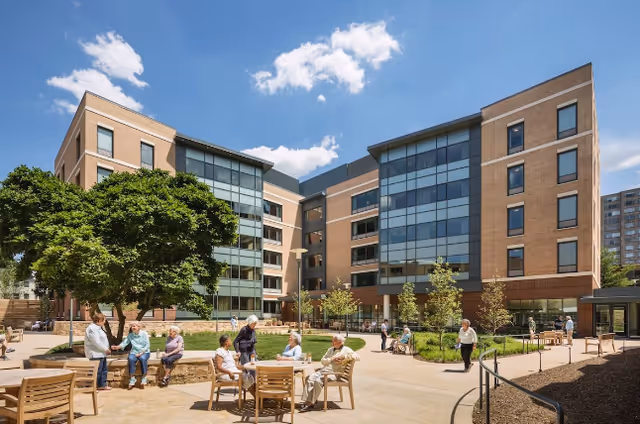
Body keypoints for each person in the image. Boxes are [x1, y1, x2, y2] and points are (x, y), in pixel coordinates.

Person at [299, 334, 360, 412]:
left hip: (335, 374)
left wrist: (344, 357)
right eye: (332, 340)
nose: (332, 342)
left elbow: (357, 356)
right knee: (309, 378)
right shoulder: (331, 350)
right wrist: (331, 359)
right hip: (324, 371)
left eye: (334, 341)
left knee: (318, 381)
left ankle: (309, 403)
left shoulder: (346, 350)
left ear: (340, 342)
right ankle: (310, 400)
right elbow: (322, 361)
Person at [111, 321, 151, 389]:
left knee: (143, 359)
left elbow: (147, 345)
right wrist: (117, 347)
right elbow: (125, 343)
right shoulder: (131, 335)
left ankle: (144, 377)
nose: (133, 327)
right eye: (132, 326)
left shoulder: (144, 334)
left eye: (134, 326)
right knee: (131, 359)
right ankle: (132, 379)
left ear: (139, 327)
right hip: (134, 352)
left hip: (144, 352)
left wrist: (141, 353)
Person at [84, 313, 111, 390]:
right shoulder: (92, 329)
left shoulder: (98, 328)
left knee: (103, 370)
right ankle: (91, 387)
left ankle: (102, 385)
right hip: (95, 353)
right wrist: (105, 349)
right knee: (96, 371)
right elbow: (96, 341)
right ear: (99, 320)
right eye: (104, 320)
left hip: (101, 353)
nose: (104, 322)